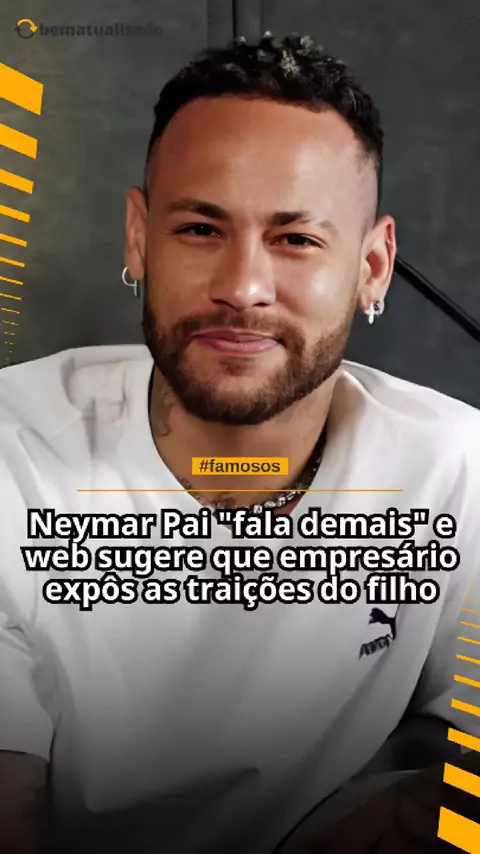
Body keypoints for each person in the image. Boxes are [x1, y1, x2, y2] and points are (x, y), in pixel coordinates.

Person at [0, 32, 479, 854]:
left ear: (372, 266)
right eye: (199, 229)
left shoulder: (457, 472)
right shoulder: (15, 451)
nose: (242, 289)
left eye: (296, 240)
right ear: (139, 237)